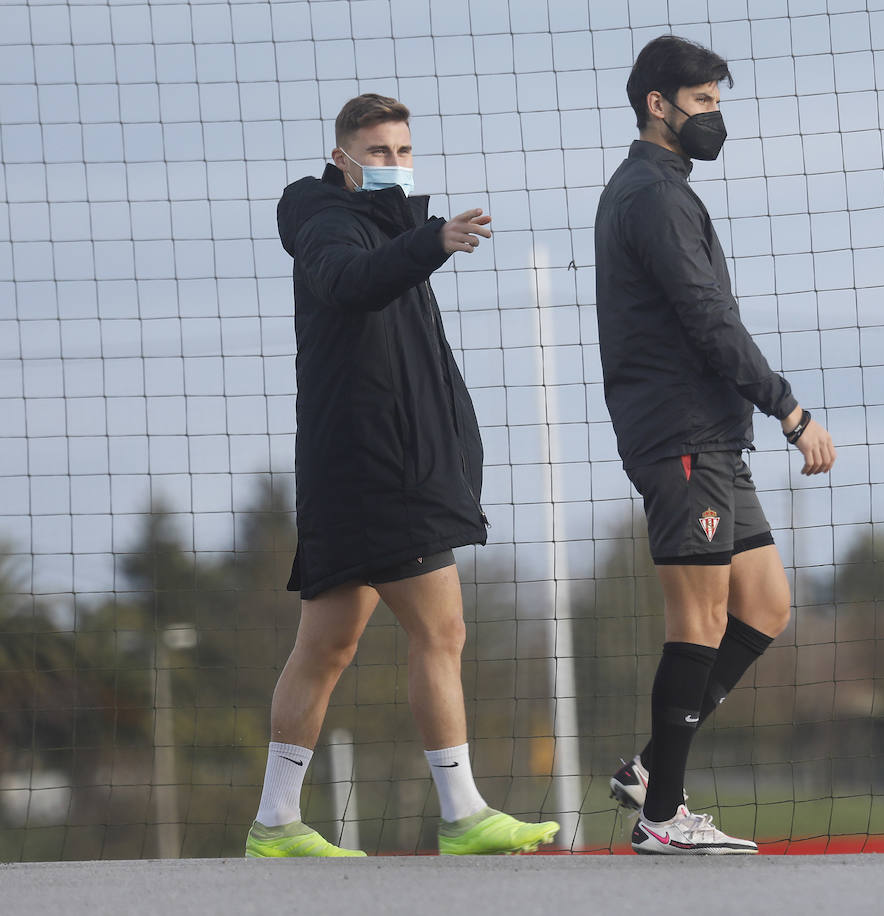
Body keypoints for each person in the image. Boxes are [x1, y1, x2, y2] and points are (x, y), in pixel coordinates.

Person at [245, 93, 558, 858]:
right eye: (379, 152)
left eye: (403, 150)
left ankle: (275, 824)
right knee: (441, 630)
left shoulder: (387, 228)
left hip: (352, 469)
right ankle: (461, 812)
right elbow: (351, 281)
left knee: (324, 648)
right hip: (379, 469)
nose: (395, 163)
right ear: (342, 156)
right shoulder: (325, 220)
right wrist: (433, 243)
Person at [594, 37, 837, 855]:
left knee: (764, 604)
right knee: (696, 620)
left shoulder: (663, 189)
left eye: (719, 104)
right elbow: (707, 319)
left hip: (711, 440)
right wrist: (790, 410)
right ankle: (662, 818)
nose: (715, 119)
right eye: (701, 104)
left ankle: (650, 766)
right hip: (680, 438)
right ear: (657, 105)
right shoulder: (652, 198)